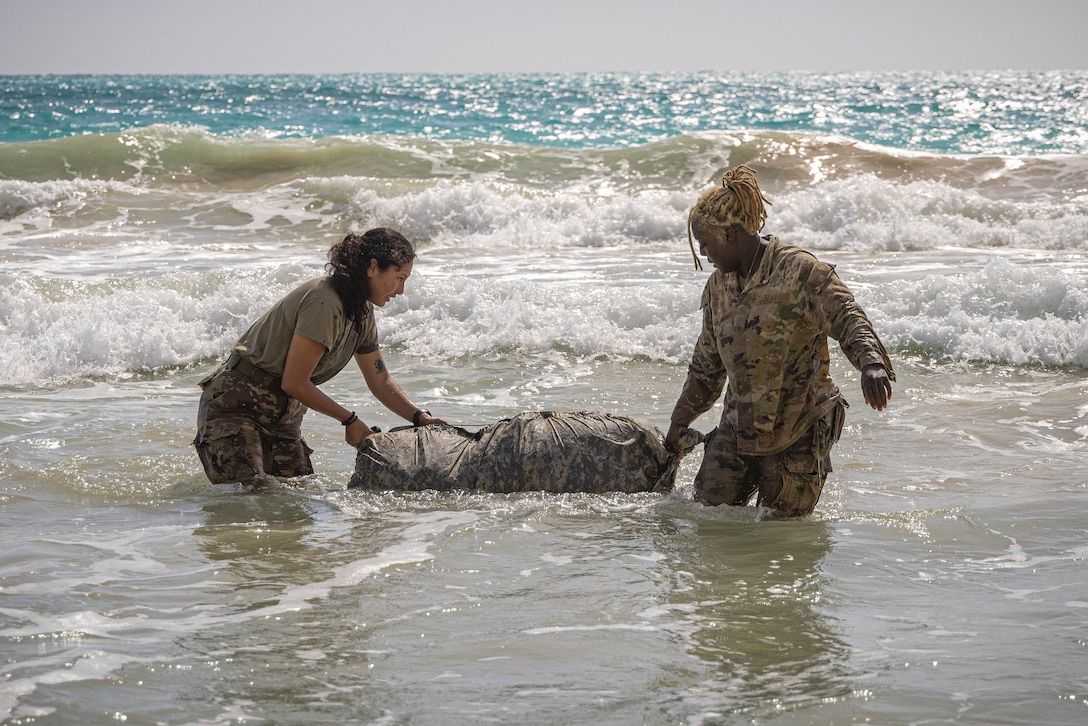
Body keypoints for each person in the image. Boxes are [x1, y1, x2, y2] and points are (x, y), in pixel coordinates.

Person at [665, 166, 894, 517]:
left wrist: (871, 363)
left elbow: (849, 316)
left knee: (781, 538)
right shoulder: (718, 288)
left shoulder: (798, 272)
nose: (703, 253)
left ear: (728, 233)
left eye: (705, 244)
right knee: (705, 517)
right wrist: (680, 421)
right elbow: (706, 367)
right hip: (739, 427)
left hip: (799, 427)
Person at [193, 227, 447, 487]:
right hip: (236, 407)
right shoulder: (324, 301)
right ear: (373, 267)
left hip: (285, 416)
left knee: (296, 503)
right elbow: (295, 381)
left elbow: (380, 380)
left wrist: (419, 417)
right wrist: (350, 420)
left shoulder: (362, 312)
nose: (401, 290)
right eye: (400, 277)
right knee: (251, 500)